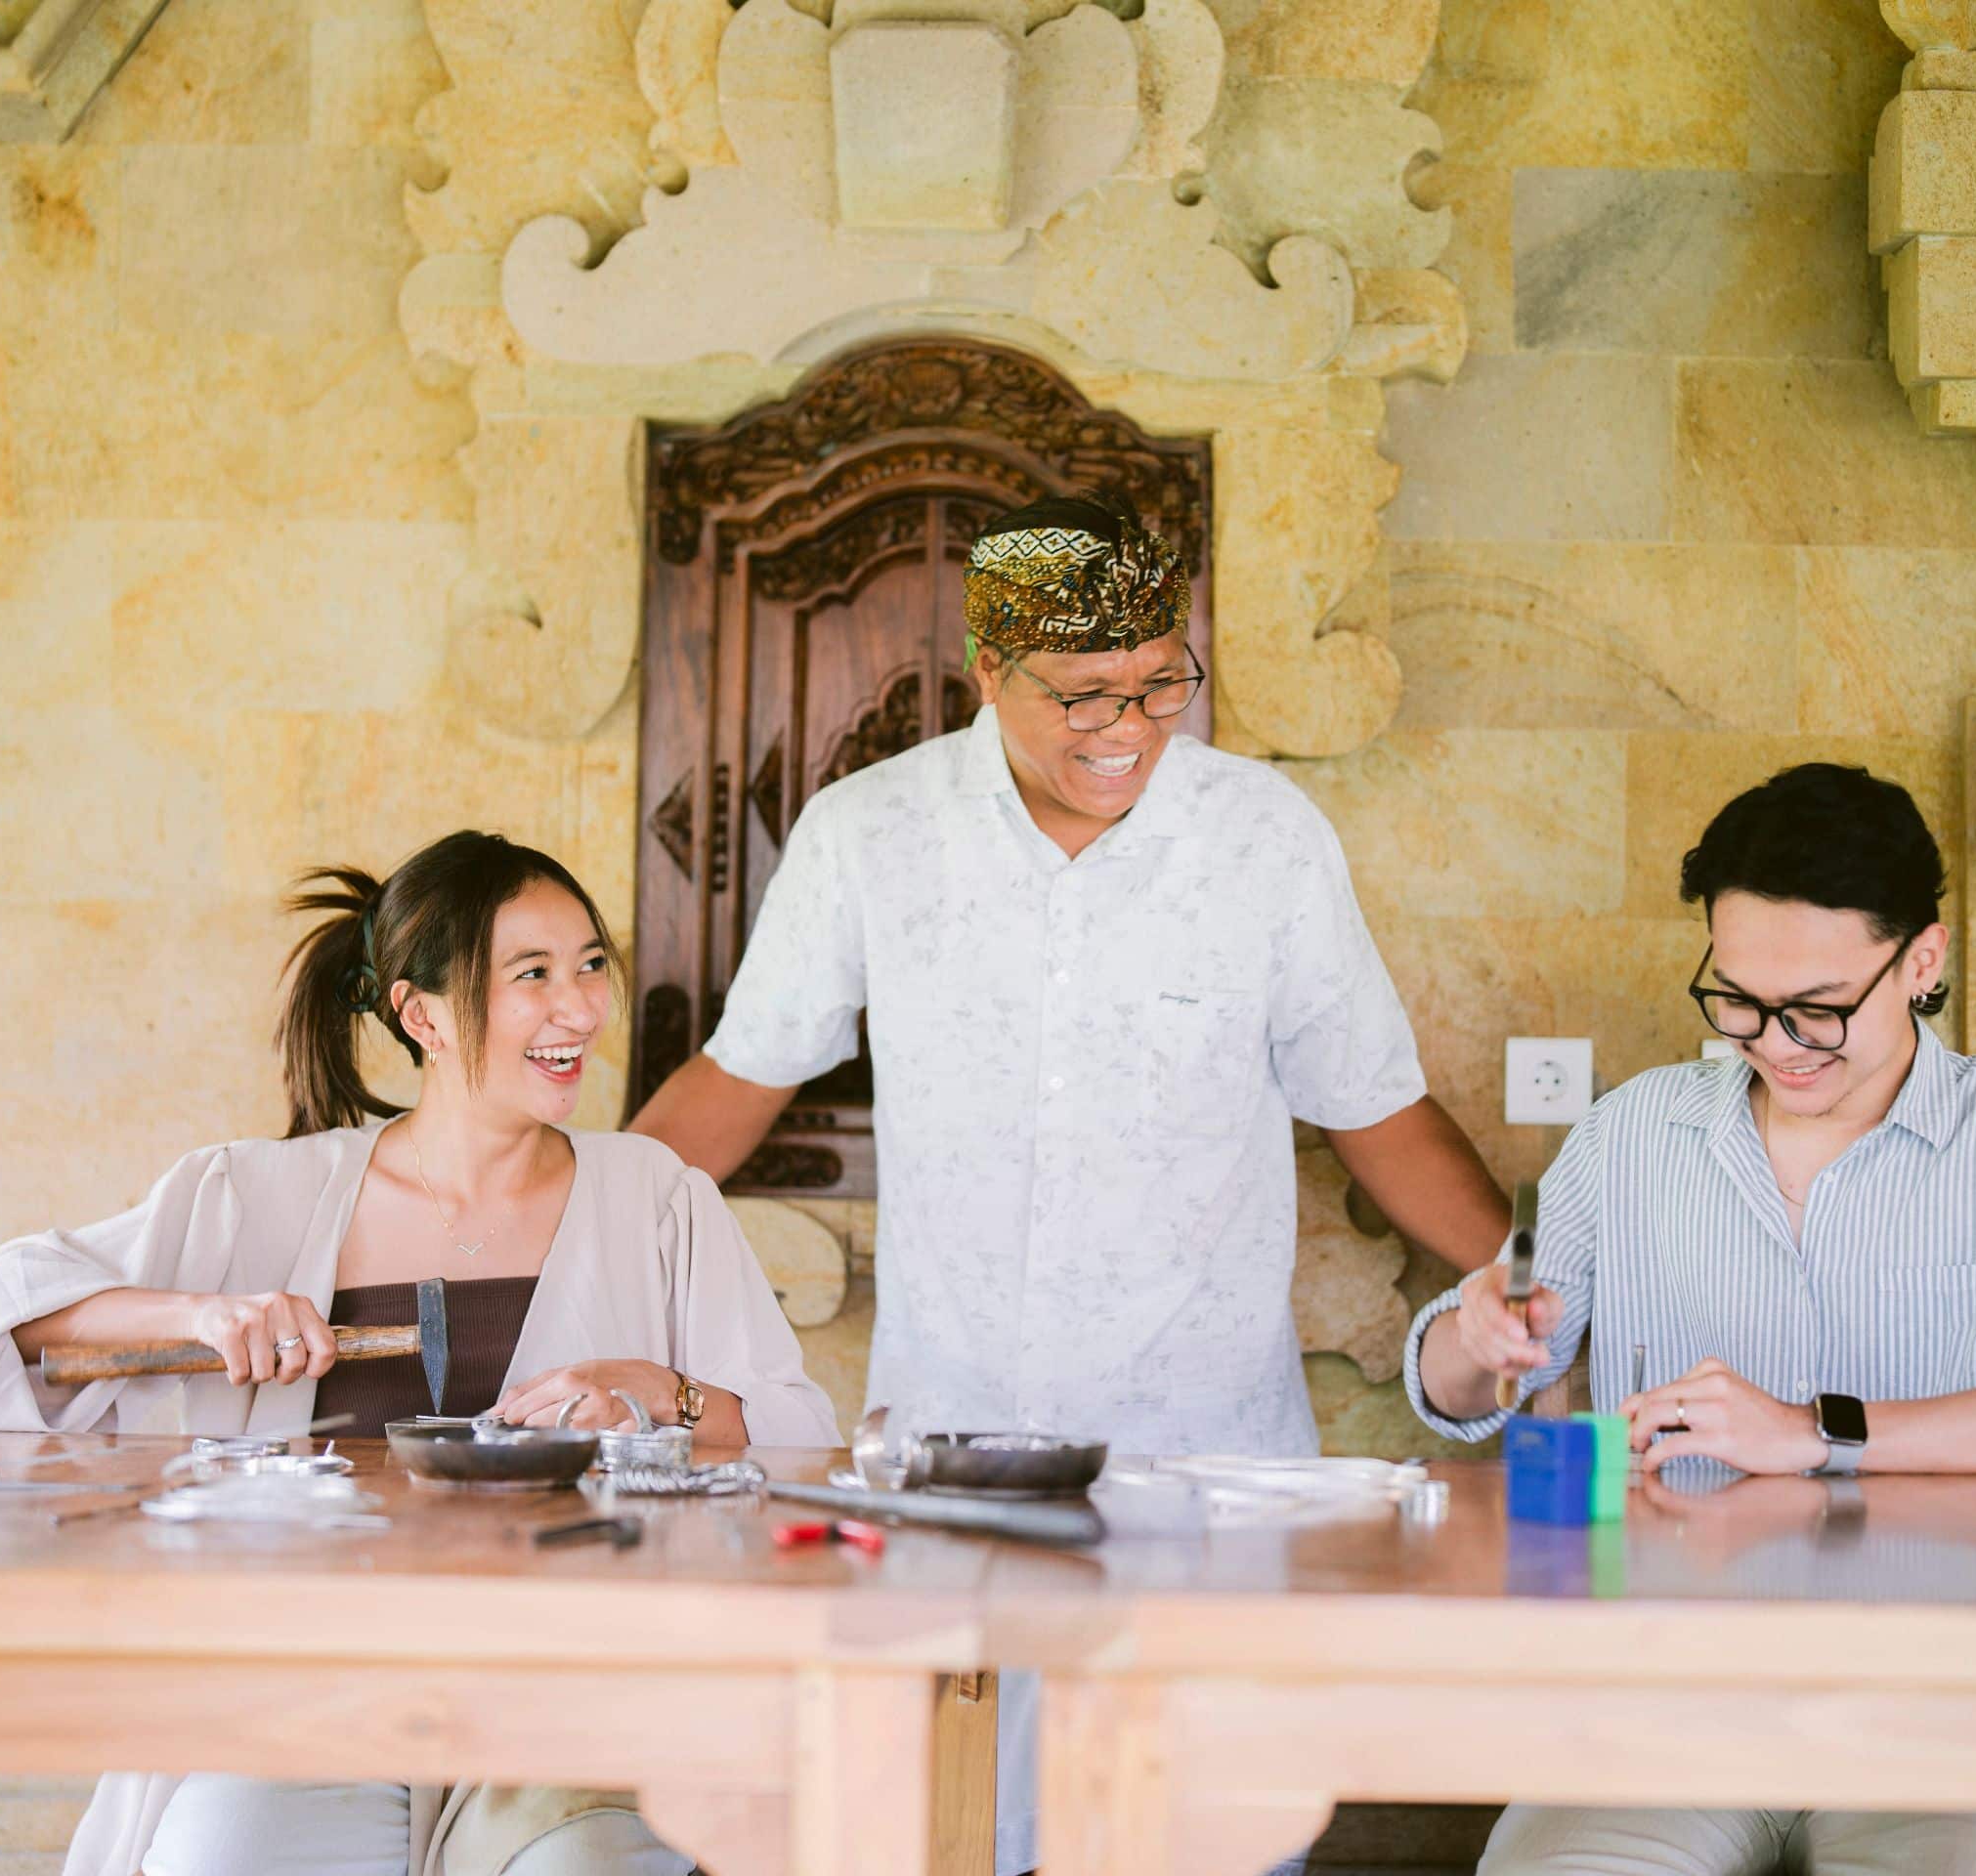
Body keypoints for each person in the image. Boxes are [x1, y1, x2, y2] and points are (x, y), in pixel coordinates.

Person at [629, 490, 1517, 1872]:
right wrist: (564, 1256)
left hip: (1204, 1468)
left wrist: (1523, 1280)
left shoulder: (1264, 837)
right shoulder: (874, 834)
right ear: (990, 671)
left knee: (1207, 1848)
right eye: (1083, 693)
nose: (1127, 730)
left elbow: (1376, 1107)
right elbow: (738, 1085)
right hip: (954, 1472)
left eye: (1161, 683)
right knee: (941, 1838)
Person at [0, 830, 840, 1876]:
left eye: (588, 966)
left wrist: (659, 1390)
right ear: (422, 1014)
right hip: (304, 1685)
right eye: (532, 975)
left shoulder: (658, 1195)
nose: (579, 1008)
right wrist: (199, 1318)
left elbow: (800, 1439)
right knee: (217, 1860)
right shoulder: (257, 1193)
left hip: (574, 1701)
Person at [1406, 762, 1976, 1876]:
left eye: (1816, 1009)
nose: (1771, 1042)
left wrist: (1815, 1434)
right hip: (1656, 1701)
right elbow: (1462, 1385)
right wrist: (1474, 1337)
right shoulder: (1634, 1132)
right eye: (1736, 999)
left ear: (1922, 960)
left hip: (1951, 1711)